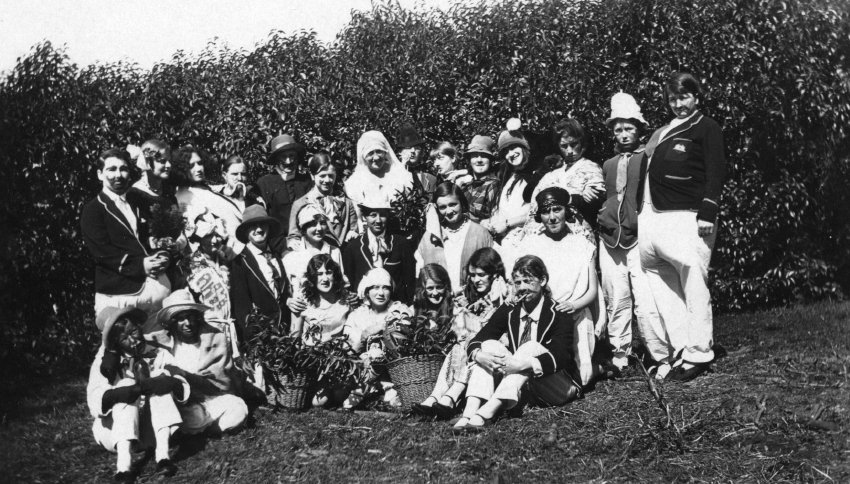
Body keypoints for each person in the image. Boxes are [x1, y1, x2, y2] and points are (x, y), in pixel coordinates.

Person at [638, 72, 727, 381]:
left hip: (688, 216)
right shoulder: (663, 132)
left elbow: (716, 171)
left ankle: (700, 352)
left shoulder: (706, 127)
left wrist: (708, 211)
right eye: (673, 99)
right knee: (664, 287)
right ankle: (681, 349)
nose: (678, 104)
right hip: (653, 218)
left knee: (693, 283)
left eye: (684, 97)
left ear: (696, 97)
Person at [452, 255, 581, 432]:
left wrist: (521, 364)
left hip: (558, 386)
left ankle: (489, 410)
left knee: (530, 347)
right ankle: (470, 412)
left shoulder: (559, 312)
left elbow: (561, 356)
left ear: (542, 280)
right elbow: (478, 339)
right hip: (523, 388)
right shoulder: (510, 309)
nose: (521, 288)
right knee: (489, 345)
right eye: (517, 282)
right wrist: (478, 355)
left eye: (527, 281)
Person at [598, 92, 668, 376]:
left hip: (638, 235)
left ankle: (660, 354)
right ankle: (620, 352)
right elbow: (608, 195)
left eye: (629, 128)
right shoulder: (608, 164)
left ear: (639, 130)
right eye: (618, 130)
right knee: (616, 297)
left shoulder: (648, 157)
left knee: (646, 298)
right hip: (609, 237)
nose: (624, 134)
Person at [87, 307, 185, 482]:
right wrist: (119, 393)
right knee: (125, 385)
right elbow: (94, 400)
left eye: (134, 331)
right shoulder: (104, 363)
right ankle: (123, 467)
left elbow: (179, 380)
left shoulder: (156, 351)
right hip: (117, 431)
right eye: (124, 338)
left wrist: (168, 380)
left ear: (140, 327)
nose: (133, 340)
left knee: (159, 378)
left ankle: (162, 457)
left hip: (151, 428)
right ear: (115, 342)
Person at [81, 148, 171, 325]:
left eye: (123, 169)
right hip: (120, 296)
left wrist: (162, 254)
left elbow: (150, 237)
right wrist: (141, 265)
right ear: (100, 174)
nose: (118, 175)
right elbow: (103, 253)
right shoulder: (93, 210)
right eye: (111, 169)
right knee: (125, 347)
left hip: (154, 291)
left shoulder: (137, 201)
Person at [413, 248, 507, 419]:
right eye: (472, 275)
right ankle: (438, 396)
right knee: (461, 343)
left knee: (469, 342)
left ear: (494, 273)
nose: (475, 280)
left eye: (481, 275)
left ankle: (450, 396)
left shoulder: (504, 294)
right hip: (471, 356)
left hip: (495, 359)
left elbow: (498, 331)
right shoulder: (467, 294)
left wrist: (496, 298)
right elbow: (458, 327)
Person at [524, 187, 600, 386]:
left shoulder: (582, 244)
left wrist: (574, 305)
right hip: (541, 316)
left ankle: (594, 365)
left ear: (567, 211)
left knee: (584, 379)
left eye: (557, 210)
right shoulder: (531, 243)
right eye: (545, 212)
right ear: (539, 216)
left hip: (574, 313)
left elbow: (592, 290)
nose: (552, 217)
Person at [151, 290, 248, 441]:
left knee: (238, 407)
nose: (188, 323)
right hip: (182, 405)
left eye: (190, 317)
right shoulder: (164, 346)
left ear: (197, 318)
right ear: (173, 322)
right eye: (181, 319)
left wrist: (184, 375)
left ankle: (200, 432)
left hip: (210, 399)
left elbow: (220, 383)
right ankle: (191, 430)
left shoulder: (214, 341)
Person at [483, 119, 545, 275]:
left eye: (514, 147)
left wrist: (508, 223)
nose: (511, 154)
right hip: (504, 241)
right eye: (506, 151)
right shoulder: (507, 178)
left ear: (524, 147)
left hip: (527, 240)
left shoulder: (538, 175)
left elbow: (538, 211)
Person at [343, 268, 410, 407]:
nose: (380, 293)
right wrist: (364, 336)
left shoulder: (400, 310)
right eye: (375, 288)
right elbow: (348, 351)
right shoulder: (357, 315)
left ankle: (371, 390)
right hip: (363, 370)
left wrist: (384, 328)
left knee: (378, 352)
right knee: (373, 353)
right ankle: (372, 389)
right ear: (367, 291)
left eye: (385, 288)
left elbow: (404, 343)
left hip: (392, 370)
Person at [532, 118, 604, 244]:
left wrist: (578, 199)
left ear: (582, 143)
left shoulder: (591, 168)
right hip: (548, 235)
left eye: (574, 144)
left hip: (578, 235)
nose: (569, 151)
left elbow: (595, 201)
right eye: (564, 146)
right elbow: (534, 202)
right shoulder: (553, 173)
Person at [415, 182, 493, 292]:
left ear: (461, 203)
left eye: (453, 204)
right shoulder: (430, 236)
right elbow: (420, 275)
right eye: (442, 207)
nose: (449, 211)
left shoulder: (480, 233)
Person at [229, 205, 288, 346]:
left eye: (263, 225)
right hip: (262, 337)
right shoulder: (240, 263)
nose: (259, 230)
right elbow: (242, 308)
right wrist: (256, 341)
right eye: (253, 226)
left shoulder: (277, 255)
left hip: (285, 332)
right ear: (246, 232)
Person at [173, 146, 244, 259]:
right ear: (182, 169)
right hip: (226, 255)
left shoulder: (203, 187)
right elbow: (194, 231)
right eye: (191, 165)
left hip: (240, 246)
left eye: (200, 163)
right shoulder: (185, 196)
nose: (198, 168)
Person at [341, 195, 416, 304]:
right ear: (364, 217)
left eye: (383, 215)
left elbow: (410, 280)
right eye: (373, 215)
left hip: (395, 307)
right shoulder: (353, 248)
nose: (378, 220)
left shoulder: (401, 243)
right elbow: (349, 283)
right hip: (365, 309)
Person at [282, 205, 346, 320]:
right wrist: (288, 301)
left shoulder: (335, 252)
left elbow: (341, 282)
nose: (319, 228)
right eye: (312, 224)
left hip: (332, 313)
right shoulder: (291, 256)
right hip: (303, 315)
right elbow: (284, 289)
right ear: (303, 228)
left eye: (322, 223)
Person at [254, 134, 314, 251]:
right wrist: (283, 243)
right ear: (276, 159)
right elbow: (264, 220)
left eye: (292, 156)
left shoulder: (306, 181)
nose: (288, 161)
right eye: (283, 157)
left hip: (309, 241)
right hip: (277, 245)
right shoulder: (264, 183)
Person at [288, 152, 359, 246]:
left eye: (331, 176)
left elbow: (354, 228)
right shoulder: (300, 203)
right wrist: (294, 242)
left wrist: (353, 233)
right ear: (312, 176)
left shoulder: (345, 202)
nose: (327, 180)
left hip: (343, 256)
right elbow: (294, 236)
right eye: (322, 176)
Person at [344, 130, 414, 212]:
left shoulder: (400, 174)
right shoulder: (355, 181)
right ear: (363, 156)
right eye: (370, 153)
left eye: (379, 151)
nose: (376, 157)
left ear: (385, 153)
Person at [291, 254, 352, 346]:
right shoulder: (302, 301)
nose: (325, 279)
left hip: (338, 355)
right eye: (319, 274)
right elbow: (294, 339)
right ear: (312, 276)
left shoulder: (346, 299)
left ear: (334, 275)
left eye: (328, 273)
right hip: (309, 355)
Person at [454, 135, 501, 223]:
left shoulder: (493, 185)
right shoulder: (466, 185)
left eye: (484, 156)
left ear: (490, 160)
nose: (479, 160)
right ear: (469, 160)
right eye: (475, 156)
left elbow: (494, 219)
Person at [396, 123, 437, 194]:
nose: (413, 151)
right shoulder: (391, 176)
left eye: (417, 148)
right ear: (400, 151)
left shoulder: (430, 179)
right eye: (408, 147)